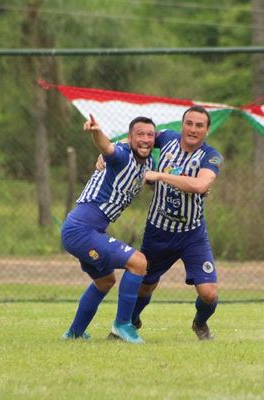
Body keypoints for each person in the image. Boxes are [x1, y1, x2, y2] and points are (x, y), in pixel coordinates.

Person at [98, 105, 223, 340]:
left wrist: (160, 175)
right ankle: (128, 324)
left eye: (199, 126)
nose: (193, 129)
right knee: (145, 286)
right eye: (189, 123)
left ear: (207, 130)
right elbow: (137, 139)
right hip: (158, 232)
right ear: (182, 125)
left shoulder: (210, 155)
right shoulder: (166, 138)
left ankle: (200, 323)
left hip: (192, 235)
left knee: (209, 293)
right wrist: (109, 152)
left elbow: (200, 186)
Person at [61, 114, 155, 344]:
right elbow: (108, 147)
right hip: (81, 230)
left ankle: (74, 333)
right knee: (139, 262)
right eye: (139, 135)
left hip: (88, 230)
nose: (145, 139)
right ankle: (123, 325)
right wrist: (96, 132)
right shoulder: (122, 156)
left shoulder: (150, 163)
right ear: (129, 139)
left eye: (150, 135)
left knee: (105, 281)